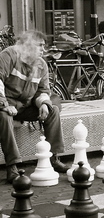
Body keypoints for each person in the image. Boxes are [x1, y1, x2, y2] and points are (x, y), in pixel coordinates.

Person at [0, 30, 70, 183]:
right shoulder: (9, 55)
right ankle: (12, 166)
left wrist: (43, 104)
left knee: (53, 110)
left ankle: (53, 158)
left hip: (24, 106)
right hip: (6, 105)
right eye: (40, 46)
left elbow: (43, 90)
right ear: (28, 44)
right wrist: (4, 104)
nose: (43, 50)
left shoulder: (41, 65)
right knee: (3, 117)